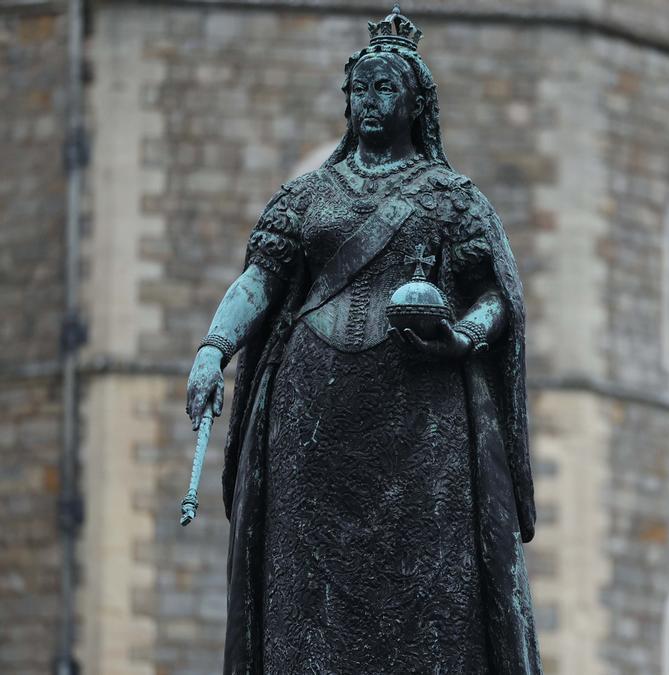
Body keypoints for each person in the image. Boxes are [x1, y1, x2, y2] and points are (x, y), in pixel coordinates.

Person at [184, 7, 541, 672]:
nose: (371, 102)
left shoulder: (450, 196)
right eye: (361, 90)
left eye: (386, 90)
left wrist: (464, 333)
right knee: (303, 598)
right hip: (310, 425)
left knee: (431, 588)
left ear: (415, 103)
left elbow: (496, 296)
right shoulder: (307, 197)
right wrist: (213, 347)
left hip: (421, 428)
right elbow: (259, 282)